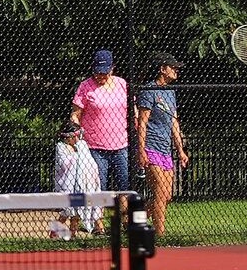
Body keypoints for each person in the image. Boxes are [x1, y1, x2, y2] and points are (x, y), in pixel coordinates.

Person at [135, 54, 189, 240]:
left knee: (167, 196)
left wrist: (180, 150)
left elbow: (174, 123)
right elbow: (142, 123)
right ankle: (160, 234)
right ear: (162, 69)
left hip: (165, 150)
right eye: (172, 67)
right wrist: (141, 150)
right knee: (159, 190)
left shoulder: (170, 93)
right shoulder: (149, 90)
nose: (176, 70)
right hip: (151, 146)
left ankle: (135, 220)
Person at [71, 49, 131, 193]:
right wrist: (77, 136)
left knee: (124, 188)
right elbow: (75, 115)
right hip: (95, 147)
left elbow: (132, 110)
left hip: (121, 145)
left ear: (112, 68)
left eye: (104, 72)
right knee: (98, 187)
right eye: (98, 72)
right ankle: (100, 209)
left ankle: (123, 209)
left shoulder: (122, 84)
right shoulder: (85, 86)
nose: (100, 76)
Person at [50, 123, 104, 238]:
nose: (78, 139)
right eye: (76, 136)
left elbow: (88, 161)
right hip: (67, 184)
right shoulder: (61, 146)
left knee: (77, 212)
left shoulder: (81, 146)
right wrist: (76, 157)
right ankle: (54, 233)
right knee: (66, 212)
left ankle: (73, 233)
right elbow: (64, 164)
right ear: (68, 137)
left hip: (80, 183)